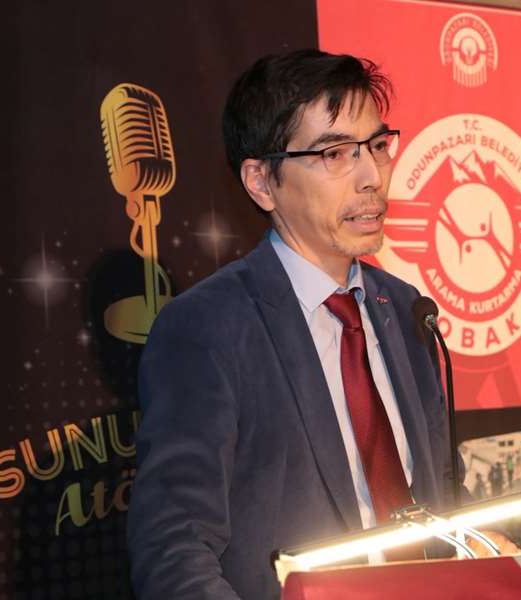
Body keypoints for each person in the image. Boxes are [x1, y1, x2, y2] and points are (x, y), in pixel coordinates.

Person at [126, 49, 457, 600]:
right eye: (335, 154)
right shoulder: (205, 329)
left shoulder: (406, 310)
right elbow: (174, 548)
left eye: (378, 146)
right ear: (261, 182)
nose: (372, 177)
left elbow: (442, 492)